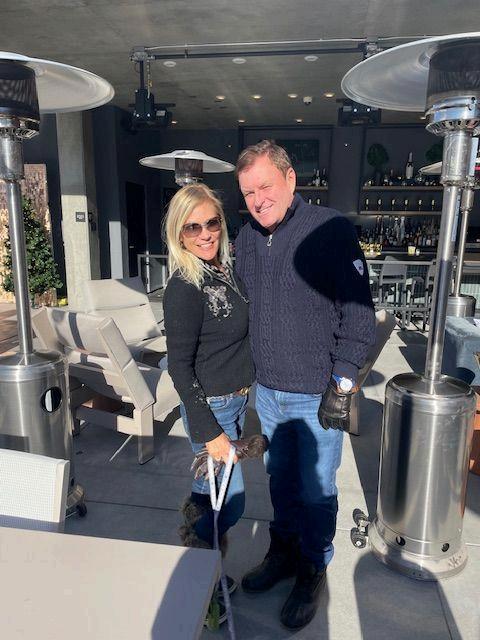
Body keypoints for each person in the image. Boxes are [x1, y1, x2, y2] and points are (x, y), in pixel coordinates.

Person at [234, 140, 375, 630]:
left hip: (317, 393)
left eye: (265, 187)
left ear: (291, 178)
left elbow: (359, 314)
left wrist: (343, 384)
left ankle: (312, 565)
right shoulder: (246, 238)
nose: (258, 200)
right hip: (269, 392)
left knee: (316, 490)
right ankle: (284, 552)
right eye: (248, 193)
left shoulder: (329, 228)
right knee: (281, 480)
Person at [162, 183, 255, 623]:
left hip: (233, 405)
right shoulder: (185, 286)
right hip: (212, 409)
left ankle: (205, 576)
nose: (204, 234)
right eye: (192, 227)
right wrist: (210, 432)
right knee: (227, 504)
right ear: (179, 234)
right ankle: (197, 579)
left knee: (213, 498)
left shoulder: (223, 269)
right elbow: (179, 367)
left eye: (211, 222)